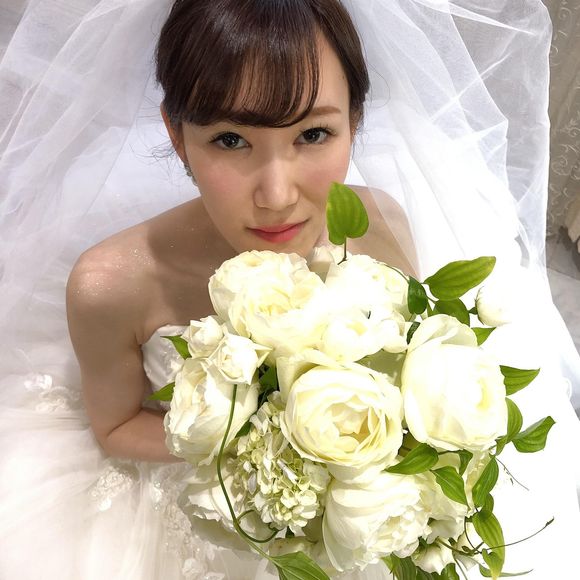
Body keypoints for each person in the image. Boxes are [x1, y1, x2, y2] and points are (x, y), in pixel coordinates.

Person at [0, 1, 578, 579]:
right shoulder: (113, 284)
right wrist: (256, 451)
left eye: (314, 133)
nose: (276, 196)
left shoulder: (379, 228)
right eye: (230, 140)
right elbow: (115, 427)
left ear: (355, 121)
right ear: (176, 135)